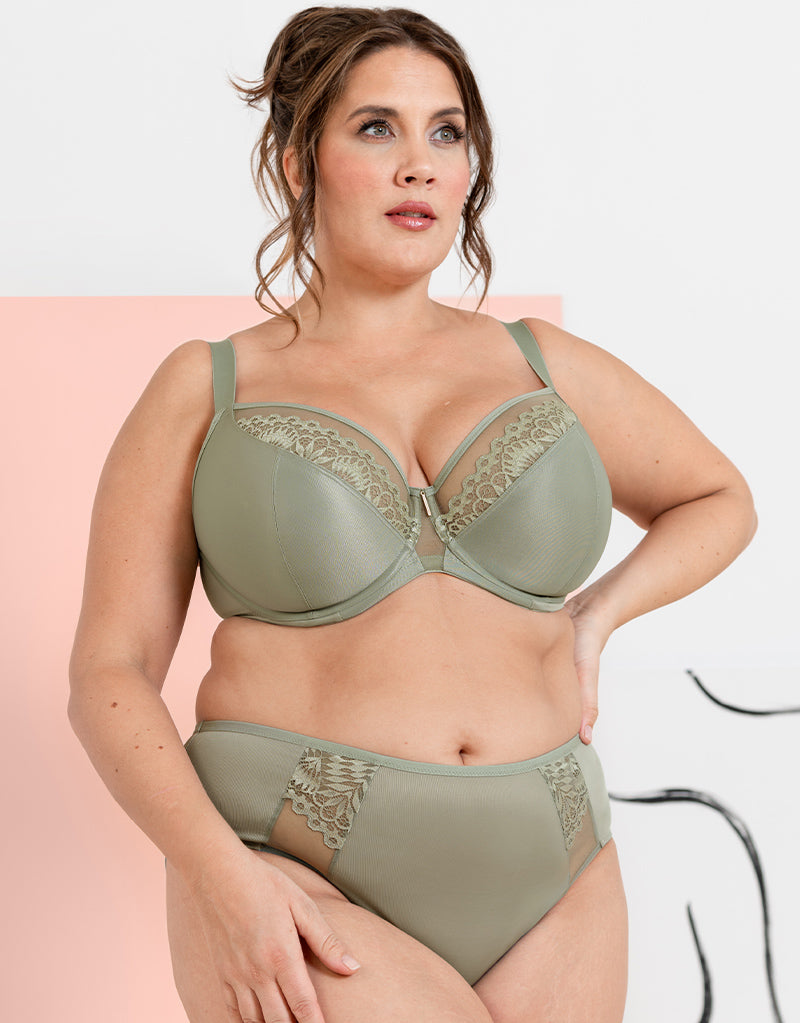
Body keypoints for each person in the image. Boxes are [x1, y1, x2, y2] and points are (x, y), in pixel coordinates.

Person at [68, 7, 757, 1023]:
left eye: (446, 132)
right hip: (293, 870)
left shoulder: (541, 363)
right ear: (298, 163)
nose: (418, 165)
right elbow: (108, 672)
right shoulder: (207, 387)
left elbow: (719, 499)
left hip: (557, 865)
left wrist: (595, 616)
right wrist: (218, 875)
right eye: (375, 127)